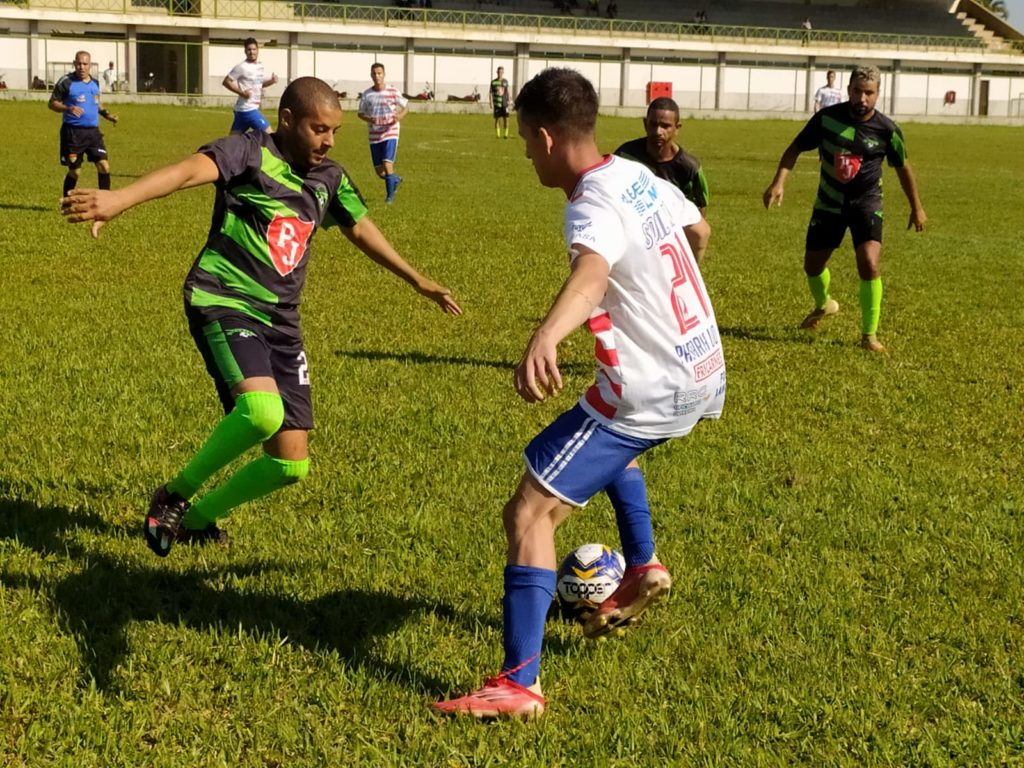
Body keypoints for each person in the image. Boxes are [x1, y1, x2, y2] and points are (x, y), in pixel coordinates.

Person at [60, 77, 462, 558]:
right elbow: (188, 172)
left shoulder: (329, 178)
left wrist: (417, 279)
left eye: (334, 131)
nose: (329, 140)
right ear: (288, 120)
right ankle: (174, 494)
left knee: (290, 465)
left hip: (281, 320)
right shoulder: (247, 153)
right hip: (225, 298)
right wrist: (120, 199)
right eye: (319, 129)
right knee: (261, 412)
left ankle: (199, 521)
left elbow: (360, 227)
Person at [434, 68, 723, 719]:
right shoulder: (637, 174)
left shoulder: (590, 200)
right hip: (699, 370)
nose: (527, 156)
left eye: (527, 146)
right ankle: (642, 564)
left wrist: (546, 336)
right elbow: (698, 231)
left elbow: (591, 276)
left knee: (529, 514)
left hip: (649, 386)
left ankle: (519, 685)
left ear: (542, 137)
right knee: (604, 451)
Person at [762, 64, 926, 353]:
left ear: (877, 94)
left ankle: (869, 336)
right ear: (848, 90)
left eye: (869, 93)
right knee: (812, 266)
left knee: (869, 263)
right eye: (857, 91)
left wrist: (917, 207)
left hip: (867, 204)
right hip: (829, 203)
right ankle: (824, 305)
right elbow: (794, 149)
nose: (863, 98)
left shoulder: (887, 130)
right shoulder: (826, 119)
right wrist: (779, 183)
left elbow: (903, 167)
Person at [615, 96, 710, 224]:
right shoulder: (625, 155)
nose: (658, 131)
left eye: (665, 126)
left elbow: (700, 210)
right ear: (645, 124)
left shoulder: (690, 168)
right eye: (653, 124)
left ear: (677, 128)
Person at [49, 50, 118, 199]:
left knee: (104, 166)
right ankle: (66, 202)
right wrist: (68, 108)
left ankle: (105, 201)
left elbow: (96, 102)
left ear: (90, 65)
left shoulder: (95, 83)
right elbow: (52, 103)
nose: (81, 67)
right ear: (74, 64)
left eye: (85, 64)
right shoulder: (66, 82)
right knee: (75, 172)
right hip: (73, 133)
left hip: (93, 133)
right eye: (79, 63)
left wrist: (107, 115)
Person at [357, 63, 409, 204]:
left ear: (384, 74)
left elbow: (406, 106)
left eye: (379, 73)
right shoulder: (367, 94)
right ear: (371, 75)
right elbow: (360, 113)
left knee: (387, 164)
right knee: (380, 172)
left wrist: (400, 115)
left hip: (390, 131)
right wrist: (369, 118)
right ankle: (395, 180)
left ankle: (389, 198)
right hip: (375, 135)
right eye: (374, 73)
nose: (377, 76)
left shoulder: (392, 91)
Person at [222, 37, 278, 135]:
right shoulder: (241, 67)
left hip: (242, 111)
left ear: (258, 50)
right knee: (270, 135)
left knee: (232, 141)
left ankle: (226, 149)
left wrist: (271, 81)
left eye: (254, 49)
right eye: (249, 49)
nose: (251, 52)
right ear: (245, 51)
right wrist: (242, 93)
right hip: (248, 110)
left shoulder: (259, 66)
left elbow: (259, 84)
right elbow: (226, 82)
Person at [489, 66, 511, 139]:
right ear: (497, 72)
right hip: (497, 103)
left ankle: (505, 135)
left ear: (503, 73)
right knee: (497, 119)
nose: (500, 73)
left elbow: (508, 91)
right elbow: (490, 92)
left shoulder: (505, 81)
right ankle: (498, 135)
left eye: (501, 72)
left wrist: (509, 100)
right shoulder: (493, 82)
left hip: (504, 103)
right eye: (499, 72)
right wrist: (490, 102)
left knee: (506, 118)